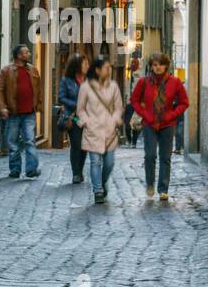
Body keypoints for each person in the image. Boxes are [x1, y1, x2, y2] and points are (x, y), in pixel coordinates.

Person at [130, 53, 189, 201]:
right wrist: (145, 114)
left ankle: (163, 188)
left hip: (167, 124)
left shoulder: (175, 83)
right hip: (149, 124)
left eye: (161, 64)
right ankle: (150, 183)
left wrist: (172, 115)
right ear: (151, 66)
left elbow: (184, 102)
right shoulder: (144, 82)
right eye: (155, 65)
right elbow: (134, 100)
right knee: (150, 155)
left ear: (166, 66)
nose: (158, 67)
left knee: (165, 157)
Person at [76, 57, 124, 204]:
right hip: (93, 130)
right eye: (106, 68)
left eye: (110, 68)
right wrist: (86, 122)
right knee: (95, 161)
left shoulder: (114, 86)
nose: (109, 71)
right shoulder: (85, 87)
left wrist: (115, 120)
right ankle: (98, 190)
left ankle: (102, 183)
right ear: (97, 70)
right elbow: (81, 109)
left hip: (109, 131)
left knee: (109, 163)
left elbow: (118, 107)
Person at [0, 44, 42, 179]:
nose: (29, 54)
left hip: (29, 113)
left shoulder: (33, 70)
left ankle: (31, 169)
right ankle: (15, 169)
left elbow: (38, 89)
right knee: (13, 143)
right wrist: (2, 107)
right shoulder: (5, 71)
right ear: (19, 56)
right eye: (26, 52)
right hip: (13, 113)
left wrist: (38, 104)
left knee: (30, 141)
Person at [57, 54, 89, 183]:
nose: (87, 66)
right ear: (77, 65)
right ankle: (76, 173)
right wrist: (75, 104)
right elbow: (61, 97)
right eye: (85, 63)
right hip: (74, 117)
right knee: (76, 144)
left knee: (84, 146)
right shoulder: (66, 80)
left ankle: (80, 171)